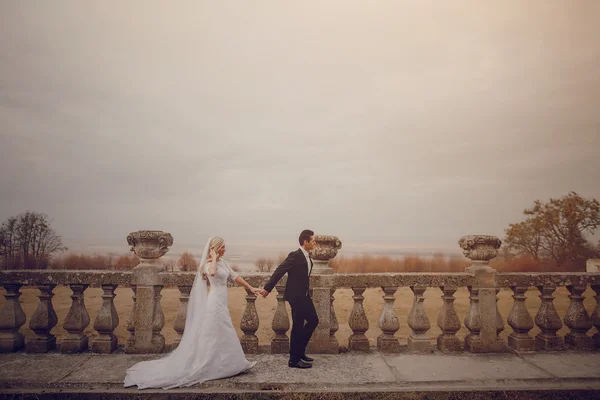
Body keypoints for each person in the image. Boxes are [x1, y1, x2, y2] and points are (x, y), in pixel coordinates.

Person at [124, 237, 259, 389]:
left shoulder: (223, 262)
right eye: (222, 247)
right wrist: (213, 258)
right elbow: (213, 273)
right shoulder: (208, 265)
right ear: (215, 248)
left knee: (222, 331)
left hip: (222, 302)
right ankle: (211, 364)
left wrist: (251, 287)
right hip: (214, 302)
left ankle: (229, 363)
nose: (225, 249)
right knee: (215, 331)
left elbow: (235, 276)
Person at [259, 229, 318, 369]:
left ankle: (300, 352)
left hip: (305, 296)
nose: (315, 243)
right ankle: (294, 360)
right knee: (297, 326)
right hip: (296, 297)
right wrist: (267, 288)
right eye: (313, 241)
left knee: (313, 320)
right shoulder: (295, 255)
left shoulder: (307, 256)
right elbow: (280, 270)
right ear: (306, 242)